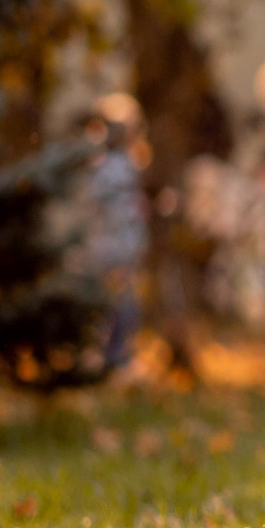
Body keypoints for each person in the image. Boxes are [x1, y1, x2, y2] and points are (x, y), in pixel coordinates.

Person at [83, 95, 150, 376]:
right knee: (109, 306)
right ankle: (104, 354)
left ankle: (118, 355)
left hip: (124, 246)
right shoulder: (107, 168)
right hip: (108, 246)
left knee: (124, 305)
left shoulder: (130, 164)